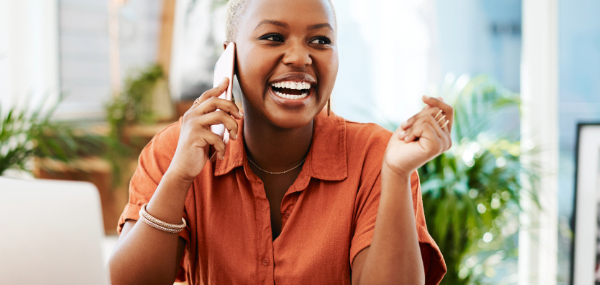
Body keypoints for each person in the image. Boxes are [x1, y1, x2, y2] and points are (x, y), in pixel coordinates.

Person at [108, 0, 450, 283]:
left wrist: (395, 173)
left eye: (320, 41)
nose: (300, 57)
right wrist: (179, 177)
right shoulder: (176, 150)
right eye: (273, 37)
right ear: (230, 59)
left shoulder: (377, 156)